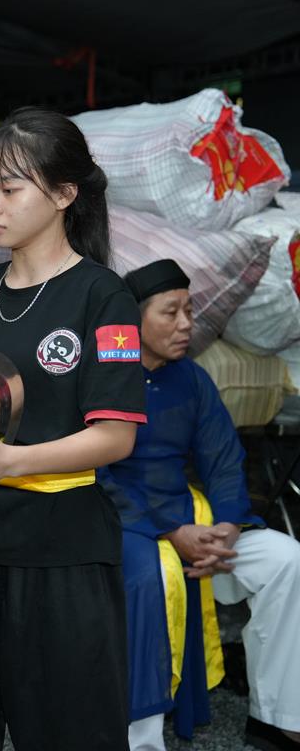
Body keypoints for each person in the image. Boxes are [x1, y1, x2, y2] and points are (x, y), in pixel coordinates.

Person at [0, 107, 148, 749]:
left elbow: (116, 436)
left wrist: (9, 460)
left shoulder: (105, 297)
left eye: (10, 188)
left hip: (61, 551)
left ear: (65, 194)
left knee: (68, 730)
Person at [98, 259, 300, 751]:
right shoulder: (103, 376)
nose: (187, 324)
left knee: (287, 560)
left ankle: (278, 716)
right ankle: (140, 740)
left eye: (190, 311)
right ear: (133, 320)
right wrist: (171, 532)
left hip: (193, 520)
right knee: (151, 578)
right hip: (123, 520)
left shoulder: (191, 378)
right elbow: (97, 474)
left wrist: (227, 527)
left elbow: (225, 459)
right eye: (171, 312)